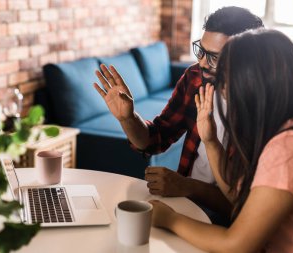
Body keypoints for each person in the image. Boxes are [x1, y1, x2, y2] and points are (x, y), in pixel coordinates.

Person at [149, 29, 293, 252]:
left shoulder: (292, 147)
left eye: (226, 79)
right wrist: (210, 141)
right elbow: (240, 201)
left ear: (253, 83)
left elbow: (237, 244)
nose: (223, 88)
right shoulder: (287, 129)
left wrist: (169, 219)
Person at [93, 7, 264, 223]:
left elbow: (244, 208)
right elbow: (155, 139)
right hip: (187, 202)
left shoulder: (265, 109)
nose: (201, 63)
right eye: (201, 51)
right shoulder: (195, 77)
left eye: (213, 57)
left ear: (247, 59)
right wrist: (127, 118)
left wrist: (187, 186)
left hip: (230, 221)